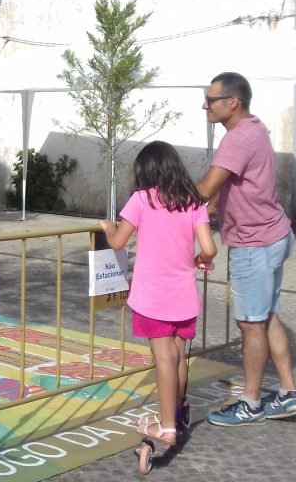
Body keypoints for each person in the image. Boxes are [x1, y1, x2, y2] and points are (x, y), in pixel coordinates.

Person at [196, 72, 296, 426]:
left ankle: (251, 402)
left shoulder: (238, 138)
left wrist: (163, 208)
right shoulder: (255, 128)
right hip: (275, 234)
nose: (205, 105)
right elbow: (228, 191)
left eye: (211, 100)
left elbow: (205, 189)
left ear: (233, 102)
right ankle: (288, 392)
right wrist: (212, 210)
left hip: (253, 243)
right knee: (267, 314)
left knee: (251, 325)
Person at [100, 141, 217, 445]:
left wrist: (107, 227)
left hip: (153, 297)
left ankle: (166, 426)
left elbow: (117, 243)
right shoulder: (193, 203)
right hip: (184, 296)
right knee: (177, 356)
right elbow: (209, 249)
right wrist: (201, 261)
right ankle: (173, 414)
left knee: (163, 358)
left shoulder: (140, 200)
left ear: (145, 172)